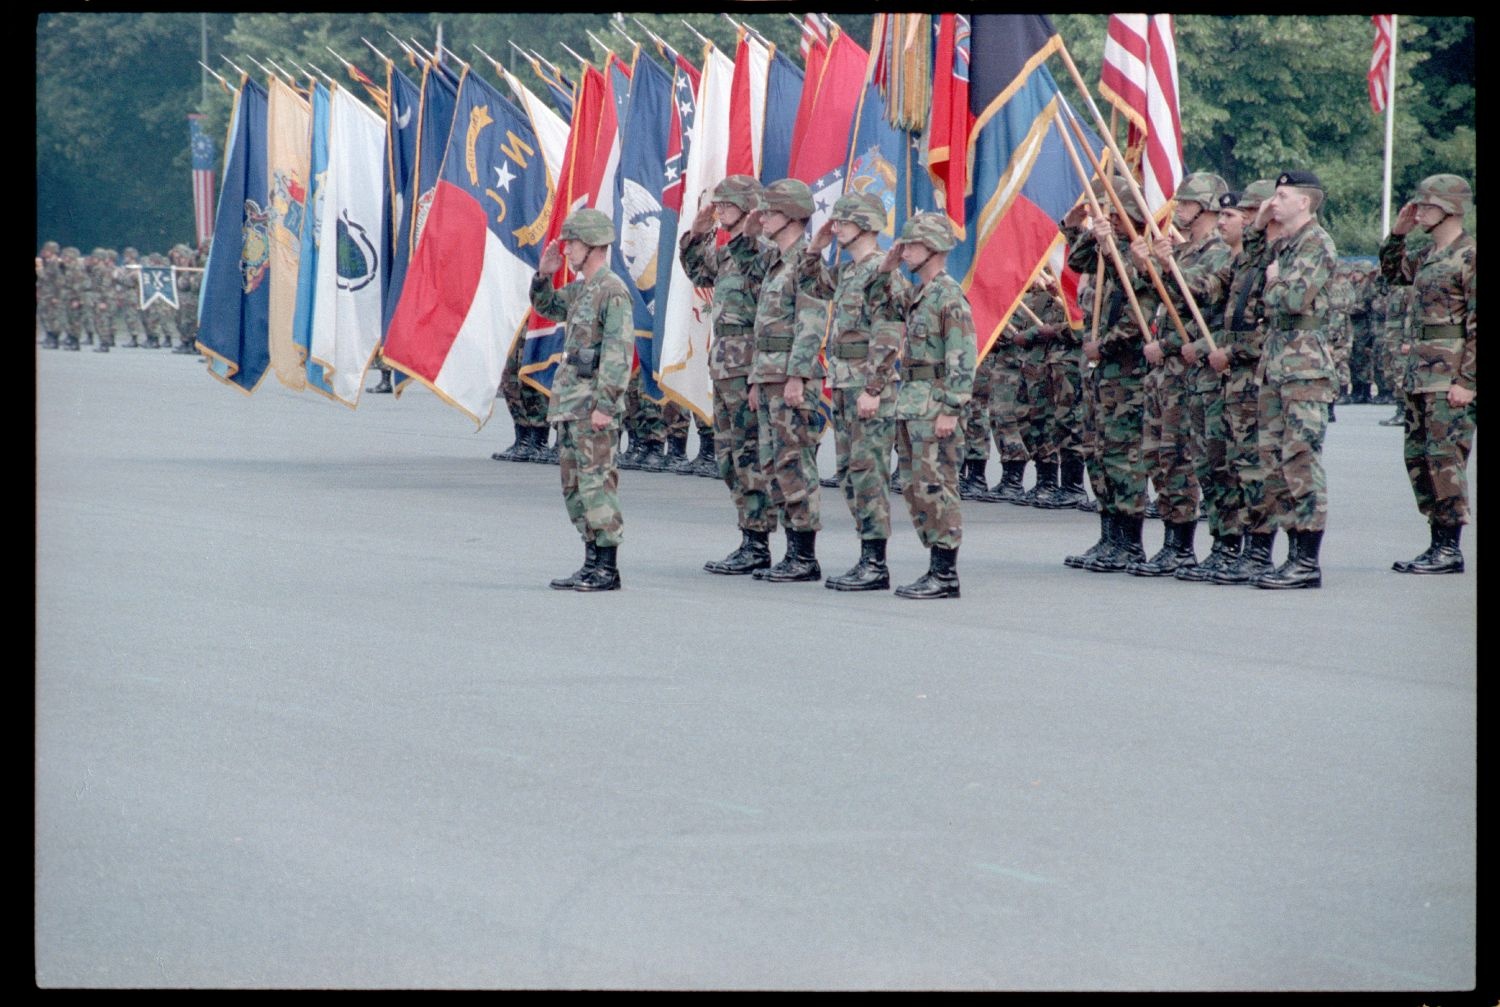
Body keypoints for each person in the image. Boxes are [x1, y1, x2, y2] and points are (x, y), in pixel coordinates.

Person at [871, 213, 977, 599]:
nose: (904, 251)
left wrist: (951, 408)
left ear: (933, 249)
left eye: (912, 245)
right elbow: (878, 303)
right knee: (915, 487)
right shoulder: (920, 294)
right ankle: (935, 563)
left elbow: (963, 356)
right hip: (913, 403)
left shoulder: (948, 296)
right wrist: (886, 268)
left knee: (937, 486)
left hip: (934, 405)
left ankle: (945, 573)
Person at [529, 209, 633, 592]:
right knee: (574, 486)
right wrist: (543, 274)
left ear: (591, 244)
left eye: (571, 242)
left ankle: (608, 566)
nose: (566, 248)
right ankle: (590, 559)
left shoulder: (612, 290)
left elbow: (619, 354)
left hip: (593, 405)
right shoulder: (582, 289)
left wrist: (606, 405)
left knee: (596, 483)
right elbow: (547, 306)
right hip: (572, 403)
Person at [801, 191, 899, 591]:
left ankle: (875, 563)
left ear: (864, 224)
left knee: (868, 471)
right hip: (843, 381)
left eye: (841, 221)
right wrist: (815, 248)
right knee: (847, 471)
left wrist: (874, 387)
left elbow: (890, 331)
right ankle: (866, 556)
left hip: (866, 384)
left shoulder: (881, 269)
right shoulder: (848, 270)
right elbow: (809, 285)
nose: (834, 226)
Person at [679, 175, 777, 575]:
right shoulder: (729, 253)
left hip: (746, 365)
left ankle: (758, 542)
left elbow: (769, 319)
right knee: (728, 457)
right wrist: (697, 235)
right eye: (718, 204)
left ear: (748, 208)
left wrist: (758, 376)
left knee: (750, 455)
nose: (719, 210)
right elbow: (699, 272)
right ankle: (748, 535)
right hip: (723, 365)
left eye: (727, 205)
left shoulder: (761, 253)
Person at [1139, 172, 1234, 577]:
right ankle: (1173, 540)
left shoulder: (1217, 251)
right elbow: (1164, 295)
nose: (1179, 209)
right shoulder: (1187, 250)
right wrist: (1149, 265)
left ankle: (1193, 543)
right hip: (1170, 366)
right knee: (1161, 455)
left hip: (1191, 365)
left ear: (1207, 207)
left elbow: (1202, 293)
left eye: (1187, 203)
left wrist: (1166, 263)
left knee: (1185, 456)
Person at [1380, 173, 1476, 575]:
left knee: (1445, 459)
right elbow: (1391, 273)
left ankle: (1449, 547)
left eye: (1428, 205)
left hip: (1449, 374)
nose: (1419, 211)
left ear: (1451, 208)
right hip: (1420, 373)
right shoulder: (1425, 255)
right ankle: (1436, 541)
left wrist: (1467, 382)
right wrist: (1397, 235)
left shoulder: (1468, 255)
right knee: (1419, 458)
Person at [1061, 178, 1159, 573]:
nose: (1105, 217)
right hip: (1101, 371)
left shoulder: (1140, 253)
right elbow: (1077, 261)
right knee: (1098, 453)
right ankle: (1109, 536)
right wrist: (1076, 228)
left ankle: (1130, 542)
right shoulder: (1107, 251)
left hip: (1127, 370)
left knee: (1124, 457)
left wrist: (1103, 344)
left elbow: (1141, 308)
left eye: (1109, 211)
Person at [1251, 170, 1339, 589]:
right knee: (1273, 461)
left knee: (1300, 460)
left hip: (1305, 369)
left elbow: (1289, 297)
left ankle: (1307, 559)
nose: (1274, 202)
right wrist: (1257, 232)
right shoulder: (1284, 245)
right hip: (1276, 365)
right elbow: (1248, 275)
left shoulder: (1316, 244)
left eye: (1282, 195)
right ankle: (1291, 553)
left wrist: (1273, 283)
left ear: (1304, 202)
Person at [1201, 181, 1282, 585]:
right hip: (1232, 380)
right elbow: (1206, 294)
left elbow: (1275, 327)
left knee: (1255, 466)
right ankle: (1230, 546)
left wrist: (1231, 353)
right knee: (1226, 464)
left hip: (1257, 377)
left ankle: (1259, 551)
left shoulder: (1281, 259)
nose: (1247, 219)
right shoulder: (1246, 262)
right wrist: (1161, 266)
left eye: (1252, 211)